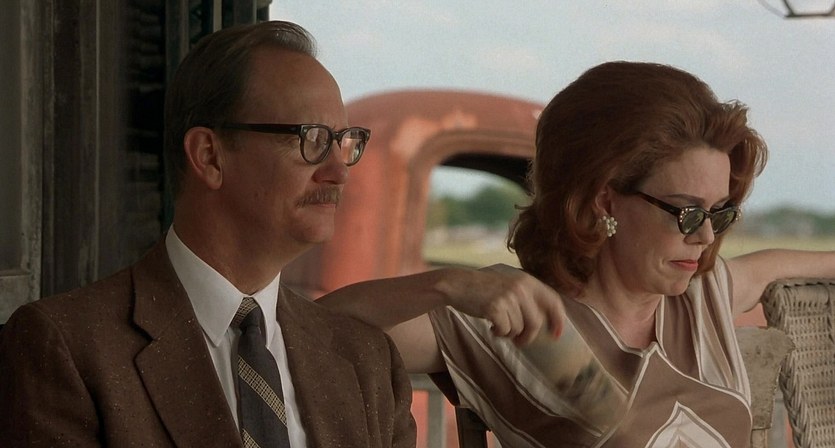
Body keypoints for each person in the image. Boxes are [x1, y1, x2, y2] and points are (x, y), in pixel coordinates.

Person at [0, 21, 565, 447]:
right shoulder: (67, 347)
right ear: (209, 156)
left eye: (345, 141)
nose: (339, 170)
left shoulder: (365, 362)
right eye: (311, 139)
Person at [320, 61, 835, 447]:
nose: (704, 237)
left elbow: (784, 264)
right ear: (604, 200)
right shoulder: (515, 323)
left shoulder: (705, 296)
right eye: (686, 212)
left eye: (718, 212)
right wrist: (447, 284)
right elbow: (313, 330)